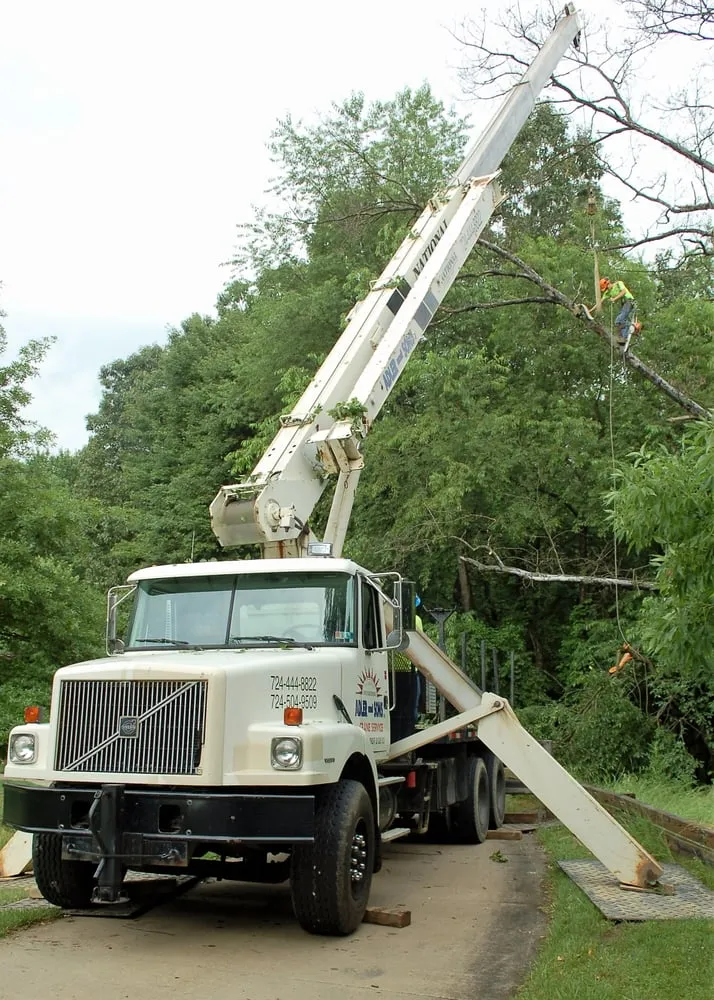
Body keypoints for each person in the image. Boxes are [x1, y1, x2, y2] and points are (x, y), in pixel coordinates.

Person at [599, 277, 636, 344]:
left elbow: (624, 291)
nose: (607, 290)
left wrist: (614, 299)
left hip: (629, 302)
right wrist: (589, 311)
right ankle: (623, 338)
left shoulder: (619, 284)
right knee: (619, 322)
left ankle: (627, 333)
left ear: (608, 283)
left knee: (619, 320)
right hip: (624, 305)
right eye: (605, 289)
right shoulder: (607, 293)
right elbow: (599, 302)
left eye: (607, 288)